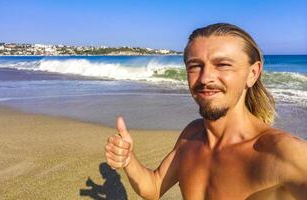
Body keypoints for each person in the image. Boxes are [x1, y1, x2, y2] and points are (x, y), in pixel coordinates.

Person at [104, 23, 307, 200]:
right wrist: (129, 160)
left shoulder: (283, 152)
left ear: (252, 74)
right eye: (195, 66)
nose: (205, 78)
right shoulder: (191, 135)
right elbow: (154, 187)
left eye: (223, 65)